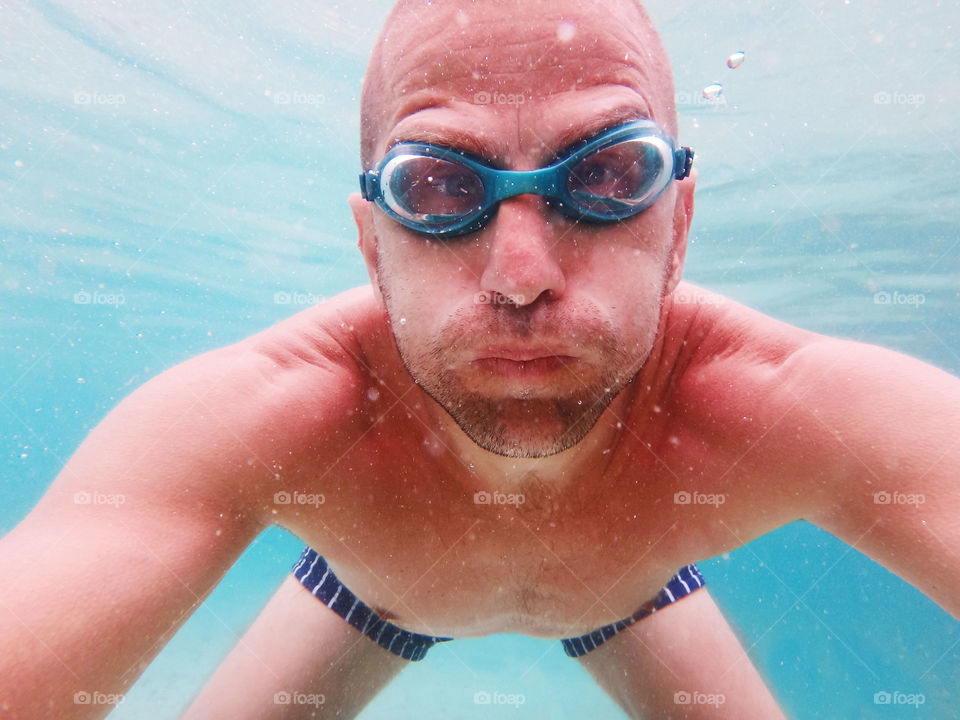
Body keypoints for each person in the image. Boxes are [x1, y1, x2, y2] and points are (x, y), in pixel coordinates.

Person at [1, 0, 957, 718]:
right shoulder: (260, 414)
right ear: (374, 246)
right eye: (440, 186)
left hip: (631, 585)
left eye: (609, 174)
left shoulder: (791, 406)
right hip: (371, 586)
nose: (522, 279)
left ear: (681, 225)